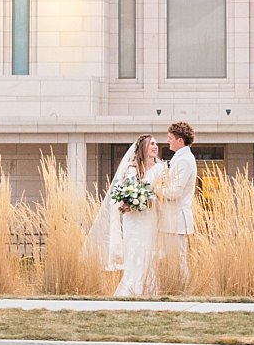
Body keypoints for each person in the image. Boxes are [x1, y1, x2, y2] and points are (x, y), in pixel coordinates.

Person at [85, 134, 166, 298]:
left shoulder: (160, 168)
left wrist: (149, 200)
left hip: (150, 217)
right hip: (132, 218)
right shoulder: (131, 168)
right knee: (134, 251)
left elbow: (161, 192)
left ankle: (149, 289)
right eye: (152, 144)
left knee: (148, 252)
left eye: (156, 144)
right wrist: (127, 201)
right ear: (143, 147)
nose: (156, 146)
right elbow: (122, 190)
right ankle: (131, 289)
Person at [155, 120, 198, 290]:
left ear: (180, 140)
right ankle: (175, 288)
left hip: (176, 219)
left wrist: (156, 188)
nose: (168, 141)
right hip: (171, 219)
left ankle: (182, 290)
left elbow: (174, 193)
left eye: (170, 138)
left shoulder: (184, 160)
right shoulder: (181, 158)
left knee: (178, 259)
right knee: (173, 258)